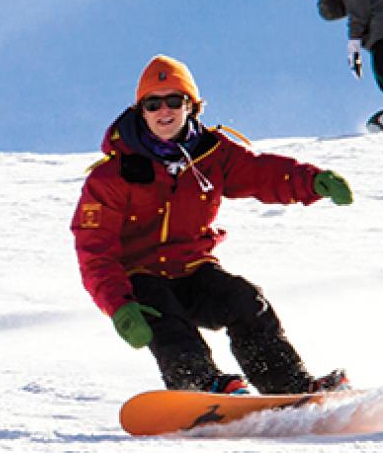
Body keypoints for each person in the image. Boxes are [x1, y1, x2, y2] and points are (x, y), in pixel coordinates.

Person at [71, 55, 354, 395]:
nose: (164, 111)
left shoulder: (213, 153)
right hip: (139, 276)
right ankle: (198, 384)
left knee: (246, 301)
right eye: (153, 103)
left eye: (174, 100)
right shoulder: (112, 175)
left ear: (191, 106)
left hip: (192, 269)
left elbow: (260, 173)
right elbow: (94, 248)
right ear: (140, 110)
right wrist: (118, 305)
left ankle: (288, 386)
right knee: (162, 312)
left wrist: (312, 181)